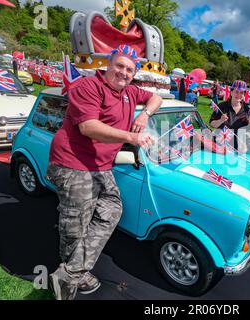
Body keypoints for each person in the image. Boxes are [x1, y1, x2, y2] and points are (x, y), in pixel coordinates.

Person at [45, 44, 163, 300]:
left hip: (100, 165)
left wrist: (145, 115)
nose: (124, 72)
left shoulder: (131, 91)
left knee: (112, 210)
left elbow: (157, 97)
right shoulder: (88, 87)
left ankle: (70, 273)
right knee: (76, 224)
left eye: (130, 69)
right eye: (119, 66)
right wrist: (132, 136)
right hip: (71, 162)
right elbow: (89, 127)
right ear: (108, 65)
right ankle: (69, 284)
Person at [209, 80, 249, 149]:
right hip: (220, 145)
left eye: (241, 92)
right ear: (231, 92)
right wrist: (221, 120)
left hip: (238, 148)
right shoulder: (222, 106)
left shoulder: (247, 109)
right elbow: (212, 124)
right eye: (236, 92)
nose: (239, 95)